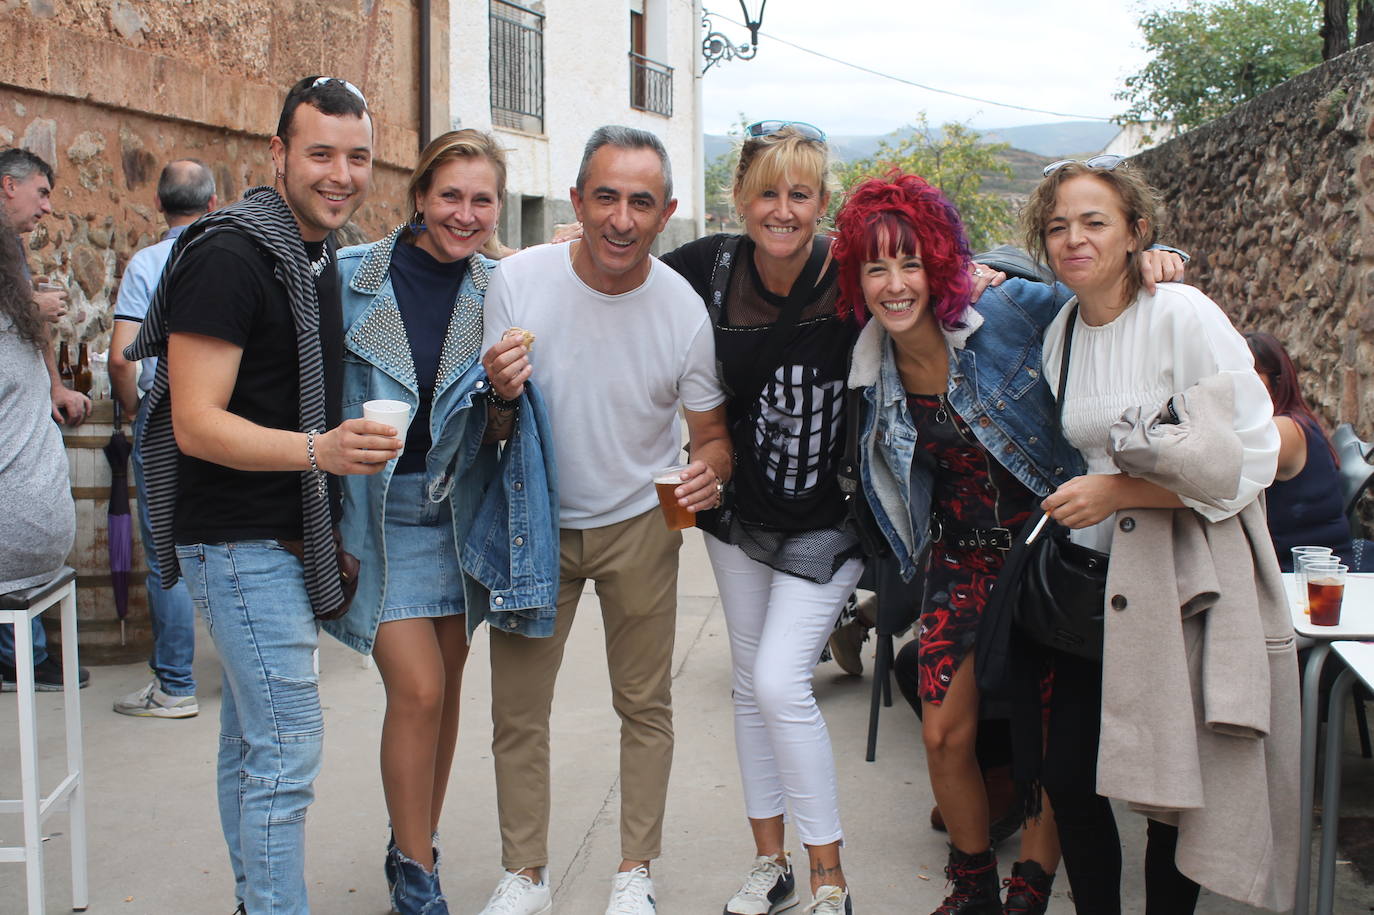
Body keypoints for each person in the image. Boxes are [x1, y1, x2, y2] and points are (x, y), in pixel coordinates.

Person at [836, 172, 1188, 915]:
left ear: (940, 262)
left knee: (1050, 745)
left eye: (912, 263)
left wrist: (1156, 258)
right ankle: (974, 886)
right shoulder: (870, 364)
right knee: (942, 731)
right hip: (961, 554)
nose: (896, 285)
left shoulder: (1009, 308)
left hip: (1052, 549)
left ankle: (1029, 884)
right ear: (857, 278)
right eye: (877, 267)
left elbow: (1105, 299)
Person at [125, 75, 402, 915]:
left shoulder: (312, 251)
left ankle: (256, 900)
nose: (341, 174)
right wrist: (321, 451)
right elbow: (196, 421)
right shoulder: (231, 252)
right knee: (287, 747)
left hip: (278, 534)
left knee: (252, 741)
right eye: (320, 153)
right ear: (278, 154)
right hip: (235, 539)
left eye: (357, 157)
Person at [1027, 157, 1296, 912]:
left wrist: (1122, 490)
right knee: (1073, 776)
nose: (1073, 238)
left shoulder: (1182, 314)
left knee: (1171, 791)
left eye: (1093, 221)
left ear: (1136, 231)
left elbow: (1254, 454)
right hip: (1094, 588)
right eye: (1057, 226)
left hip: (1182, 580)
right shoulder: (1063, 335)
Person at [476, 125, 732, 915]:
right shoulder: (519, 283)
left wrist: (708, 475)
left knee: (644, 703)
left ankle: (634, 872)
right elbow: (488, 430)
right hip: (536, 519)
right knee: (518, 708)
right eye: (607, 197)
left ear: (667, 213)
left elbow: (713, 436)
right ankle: (525, 873)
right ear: (578, 201)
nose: (622, 218)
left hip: (641, 517)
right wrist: (498, 392)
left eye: (641, 202)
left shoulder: (684, 310)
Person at [655, 120, 867, 915]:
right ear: (741, 198)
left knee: (782, 683)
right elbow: (614, 270)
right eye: (768, 192)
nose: (783, 209)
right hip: (739, 512)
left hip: (829, 516)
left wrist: (983, 276)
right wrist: (550, 252)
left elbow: (941, 276)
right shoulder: (707, 268)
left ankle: (829, 878)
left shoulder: (851, 269)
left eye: (800, 193)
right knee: (751, 686)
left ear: (822, 202)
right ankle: (769, 861)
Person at [325, 128, 536, 914]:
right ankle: (417, 880)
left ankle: (415, 839)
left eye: (482, 199)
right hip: (376, 514)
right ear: (418, 195)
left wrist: (507, 398)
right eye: (450, 195)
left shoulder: (502, 290)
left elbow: (502, 431)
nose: (465, 213)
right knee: (415, 689)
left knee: (443, 692)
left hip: (457, 513)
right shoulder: (350, 278)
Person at [108, 158, 218, 718]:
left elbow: (121, 358)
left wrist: (133, 411)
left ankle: (175, 684)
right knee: (231, 536)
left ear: (158, 205)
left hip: (168, 410)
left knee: (168, 551)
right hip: (227, 412)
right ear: (212, 206)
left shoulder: (148, 263)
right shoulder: (227, 254)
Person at [0, 146, 90, 692]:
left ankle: (24, 654)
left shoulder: (12, 245)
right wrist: (32, 309)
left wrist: (54, 385)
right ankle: (21, 657)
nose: (49, 207)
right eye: (41, 192)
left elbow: (23, 332)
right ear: (8, 186)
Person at [1244, 330, 1357, 569]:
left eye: (1248, 375)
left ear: (1277, 380)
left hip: (1306, 577)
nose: (1235, 385)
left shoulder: (1283, 430)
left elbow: (1216, 468)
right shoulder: (1297, 420)